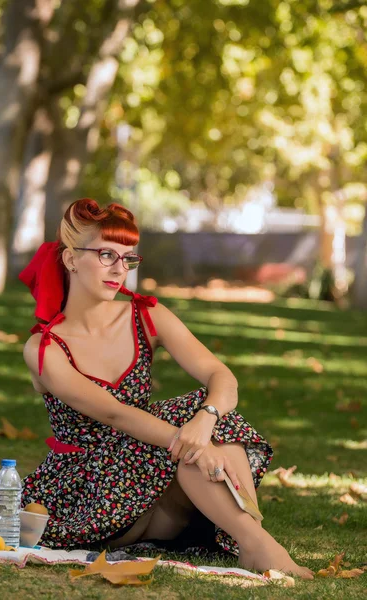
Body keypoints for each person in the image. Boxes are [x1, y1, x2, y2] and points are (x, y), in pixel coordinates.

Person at [20, 199, 314, 579]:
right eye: (107, 254)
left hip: (155, 484)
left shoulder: (145, 315)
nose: (118, 269)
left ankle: (253, 541)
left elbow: (221, 377)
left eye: (128, 258)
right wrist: (191, 439)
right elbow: (116, 414)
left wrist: (205, 422)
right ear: (71, 260)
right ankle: (257, 543)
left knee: (203, 409)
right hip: (88, 492)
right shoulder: (43, 348)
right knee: (185, 419)